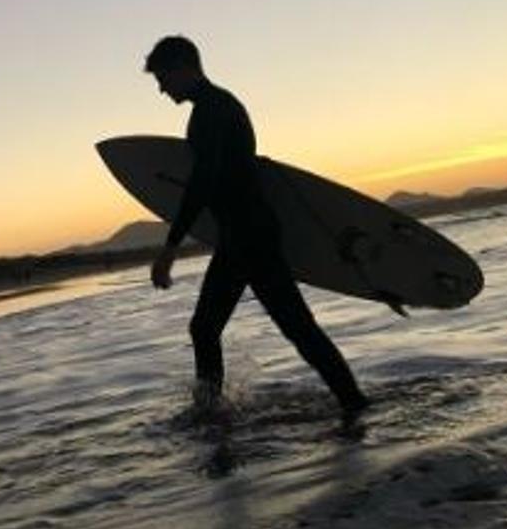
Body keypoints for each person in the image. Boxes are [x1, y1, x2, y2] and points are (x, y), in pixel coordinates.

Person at [145, 35, 369, 419]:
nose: (162, 89)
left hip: (251, 237)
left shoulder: (212, 110)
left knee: (296, 328)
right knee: (206, 329)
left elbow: (206, 178)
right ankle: (211, 414)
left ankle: (354, 404)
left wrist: (170, 248)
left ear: (184, 67)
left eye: (163, 78)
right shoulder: (215, 107)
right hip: (240, 237)